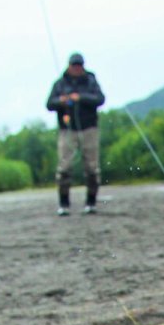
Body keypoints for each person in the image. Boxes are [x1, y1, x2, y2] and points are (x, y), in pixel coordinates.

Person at [46, 52, 105, 215]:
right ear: (69, 66)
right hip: (67, 130)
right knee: (64, 167)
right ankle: (64, 204)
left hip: (89, 129)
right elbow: (49, 104)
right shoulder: (59, 84)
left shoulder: (91, 81)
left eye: (79, 65)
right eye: (74, 65)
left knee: (92, 168)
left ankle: (91, 203)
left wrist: (80, 97)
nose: (77, 68)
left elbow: (100, 99)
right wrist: (62, 101)